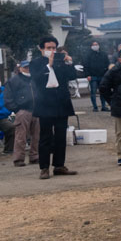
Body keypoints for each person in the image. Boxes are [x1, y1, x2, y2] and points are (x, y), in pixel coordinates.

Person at [30, 36, 80, 179]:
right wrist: (49, 65)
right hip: (45, 104)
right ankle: (44, 168)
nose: (51, 51)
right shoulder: (35, 63)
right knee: (45, 137)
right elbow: (37, 79)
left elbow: (71, 76)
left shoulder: (60, 61)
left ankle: (59, 165)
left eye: (53, 48)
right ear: (41, 49)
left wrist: (69, 62)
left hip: (61, 103)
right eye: (48, 48)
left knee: (60, 136)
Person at [3, 60, 40, 166]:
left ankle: (35, 156)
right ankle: (18, 159)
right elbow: (7, 98)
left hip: (37, 110)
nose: (28, 69)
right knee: (20, 136)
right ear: (20, 68)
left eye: (29, 67)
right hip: (22, 111)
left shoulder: (35, 79)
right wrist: (16, 110)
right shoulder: (14, 81)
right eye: (25, 67)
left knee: (37, 136)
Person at [83, 40, 111, 112]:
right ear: (91, 46)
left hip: (102, 75)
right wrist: (87, 75)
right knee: (93, 92)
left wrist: (107, 74)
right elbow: (85, 65)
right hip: (92, 76)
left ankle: (103, 106)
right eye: (94, 44)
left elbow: (107, 64)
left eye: (96, 44)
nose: (95, 46)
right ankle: (95, 107)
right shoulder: (88, 55)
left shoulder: (103, 54)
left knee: (103, 91)